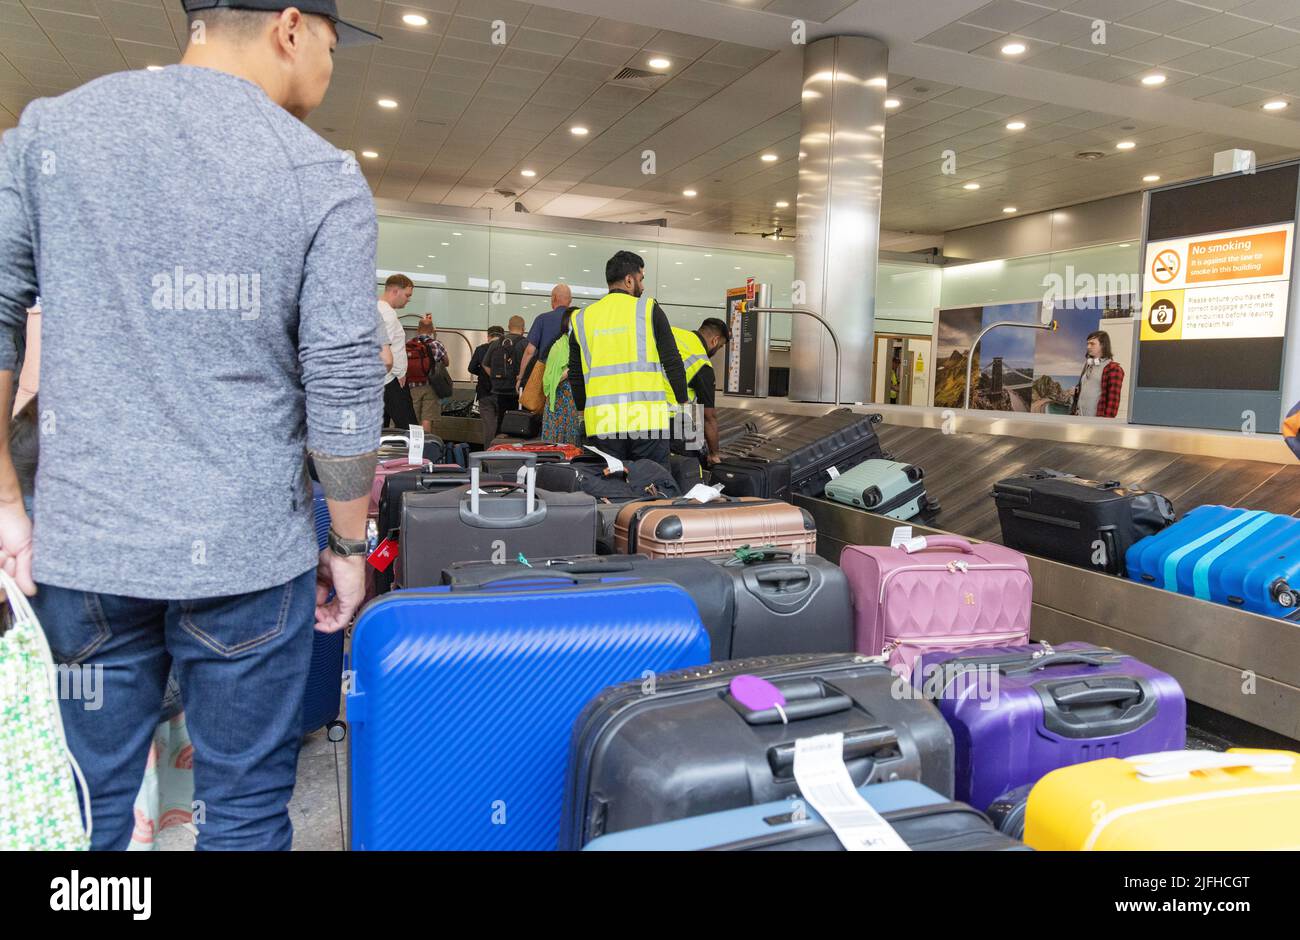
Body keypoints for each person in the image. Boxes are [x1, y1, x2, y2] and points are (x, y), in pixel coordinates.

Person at [0, 0, 385, 850]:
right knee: (241, 812)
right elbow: (344, 379)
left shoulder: (49, 133)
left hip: (83, 548)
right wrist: (351, 549)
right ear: (291, 28)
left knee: (86, 813)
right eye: (330, 43)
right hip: (248, 558)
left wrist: (5, 500)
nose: (329, 63)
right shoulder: (319, 174)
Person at [568, 251, 687, 466]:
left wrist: (583, 412)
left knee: (609, 488)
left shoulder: (582, 318)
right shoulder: (648, 309)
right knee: (654, 484)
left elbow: (576, 374)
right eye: (641, 279)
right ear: (629, 280)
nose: (642, 286)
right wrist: (682, 400)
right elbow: (672, 360)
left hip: (602, 423)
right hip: (647, 421)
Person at [667, 317, 731, 467]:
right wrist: (714, 454)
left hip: (637, 410)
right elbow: (709, 417)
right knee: (692, 464)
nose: (717, 350)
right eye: (720, 346)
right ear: (715, 340)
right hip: (671, 420)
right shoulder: (702, 364)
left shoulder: (672, 332)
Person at [377, 273, 419, 430]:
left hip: (381, 380)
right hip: (390, 380)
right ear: (395, 291)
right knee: (410, 428)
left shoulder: (375, 309)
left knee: (380, 428)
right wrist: (399, 372)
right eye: (407, 295)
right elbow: (384, 349)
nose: (409, 299)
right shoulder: (387, 313)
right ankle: (417, 454)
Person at [517, 283, 573, 397]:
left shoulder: (542, 319)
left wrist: (520, 377)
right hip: (572, 377)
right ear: (570, 300)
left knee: (544, 411)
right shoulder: (578, 318)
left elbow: (529, 351)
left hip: (547, 376)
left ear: (553, 298)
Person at [540, 307, 582, 445]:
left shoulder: (582, 345)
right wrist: (570, 370)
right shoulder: (558, 347)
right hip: (559, 402)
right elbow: (550, 379)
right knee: (556, 443)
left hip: (574, 403)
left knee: (573, 442)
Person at [482, 315, 527, 438]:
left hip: (500, 389)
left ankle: (499, 448)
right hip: (520, 391)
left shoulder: (496, 343)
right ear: (523, 328)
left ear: (508, 327)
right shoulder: (526, 344)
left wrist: (494, 377)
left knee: (501, 420)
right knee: (519, 423)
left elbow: (485, 364)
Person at [405, 314, 448, 433]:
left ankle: (413, 444)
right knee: (427, 418)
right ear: (432, 329)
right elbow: (446, 362)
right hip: (431, 385)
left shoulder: (409, 344)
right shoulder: (436, 344)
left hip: (412, 385)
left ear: (418, 329)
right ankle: (426, 445)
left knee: (414, 417)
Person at [1070, 330, 1125, 419]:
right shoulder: (1088, 365)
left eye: (1092, 344)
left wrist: (1103, 425)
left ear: (1103, 345)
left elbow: (1113, 403)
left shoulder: (1114, 369)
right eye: (1087, 344)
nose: (1088, 347)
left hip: (1096, 422)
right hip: (1079, 419)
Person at [468, 325, 505, 442]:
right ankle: (500, 453)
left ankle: (488, 454)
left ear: (488, 336)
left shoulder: (480, 349)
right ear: (502, 336)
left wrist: (482, 372)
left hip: (485, 392)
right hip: (502, 392)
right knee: (501, 427)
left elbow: (471, 368)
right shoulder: (506, 349)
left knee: (489, 426)